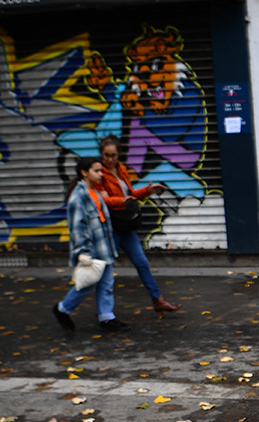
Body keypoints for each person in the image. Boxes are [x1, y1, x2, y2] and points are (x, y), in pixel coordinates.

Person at [98, 135, 182, 318]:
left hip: (125, 225)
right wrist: (121, 200)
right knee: (105, 270)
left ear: (119, 155)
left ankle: (158, 300)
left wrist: (147, 191)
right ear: (101, 155)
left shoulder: (121, 170)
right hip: (111, 227)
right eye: (106, 155)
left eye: (113, 155)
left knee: (142, 263)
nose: (110, 159)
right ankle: (91, 309)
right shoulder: (99, 174)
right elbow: (102, 199)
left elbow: (130, 193)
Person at [52, 158, 128, 333]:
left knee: (107, 283)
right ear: (84, 172)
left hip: (104, 247)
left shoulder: (94, 192)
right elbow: (77, 227)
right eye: (96, 171)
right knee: (88, 284)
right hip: (92, 250)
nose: (101, 174)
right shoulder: (78, 198)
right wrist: (83, 252)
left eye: (101, 171)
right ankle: (63, 309)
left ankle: (107, 318)